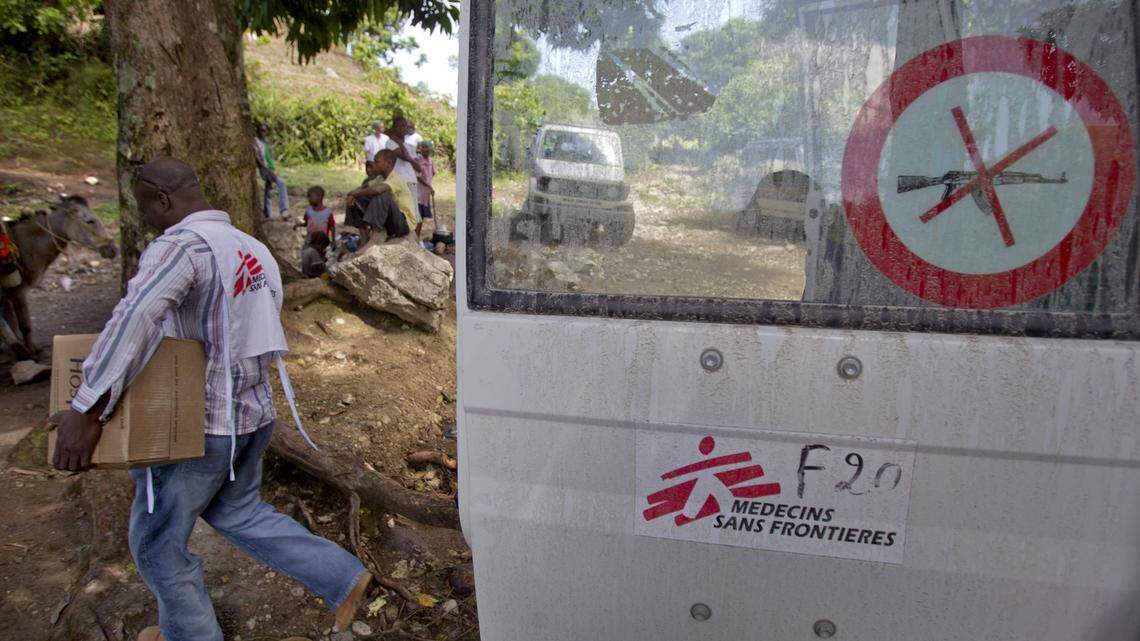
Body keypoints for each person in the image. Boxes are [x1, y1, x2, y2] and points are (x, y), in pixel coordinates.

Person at [47, 157, 371, 641]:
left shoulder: (181, 248)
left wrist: (87, 405)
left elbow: (136, 319)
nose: (145, 219)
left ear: (162, 199)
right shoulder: (251, 248)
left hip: (201, 431)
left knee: (157, 546)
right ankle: (341, 576)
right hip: (253, 418)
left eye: (144, 207)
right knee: (238, 511)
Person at [346, 150, 417, 253]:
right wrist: (352, 194)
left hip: (403, 224)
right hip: (390, 222)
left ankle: (374, 239)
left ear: (388, 163)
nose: (374, 165)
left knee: (381, 195)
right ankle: (364, 238)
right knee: (358, 199)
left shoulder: (397, 178)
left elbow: (377, 190)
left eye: (377, 161)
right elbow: (363, 187)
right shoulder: (380, 178)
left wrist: (355, 193)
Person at [254, 124, 289, 218]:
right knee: (281, 183)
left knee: (268, 190)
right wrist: (268, 170)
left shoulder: (265, 142)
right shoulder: (255, 141)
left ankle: (267, 213)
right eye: (261, 130)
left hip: (270, 168)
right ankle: (284, 210)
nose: (263, 132)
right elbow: (258, 158)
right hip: (265, 169)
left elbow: (269, 157)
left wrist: (273, 169)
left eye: (265, 131)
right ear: (258, 130)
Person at [415, 140, 437, 240]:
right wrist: (429, 186)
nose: (426, 150)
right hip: (418, 192)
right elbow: (418, 177)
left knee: (422, 217)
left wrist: (429, 187)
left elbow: (433, 173)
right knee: (417, 216)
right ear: (420, 149)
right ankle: (414, 238)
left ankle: (417, 238)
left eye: (428, 148)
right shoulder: (417, 160)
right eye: (424, 147)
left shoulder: (431, 161)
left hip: (425, 193)